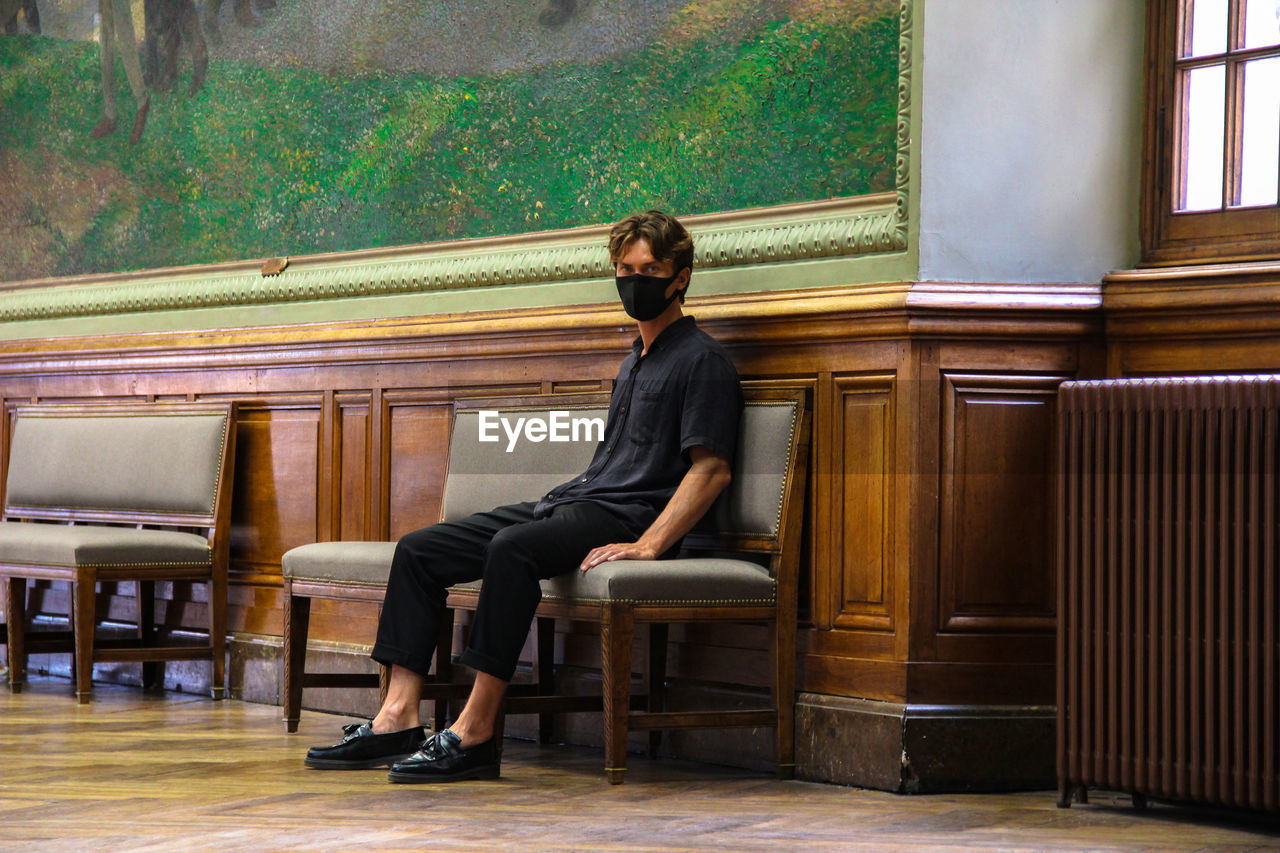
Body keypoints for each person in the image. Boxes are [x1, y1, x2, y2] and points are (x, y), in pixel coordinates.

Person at [304, 209, 743, 784]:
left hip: (627, 515)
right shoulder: (632, 362)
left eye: (651, 269)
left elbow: (710, 471)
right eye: (625, 269)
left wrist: (649, 544)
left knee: (512, 549)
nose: (636, 281)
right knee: (418, 549)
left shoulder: (703, 360)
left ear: (681, 277)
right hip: (576, 503)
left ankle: (476, 731)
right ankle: (397, 716)